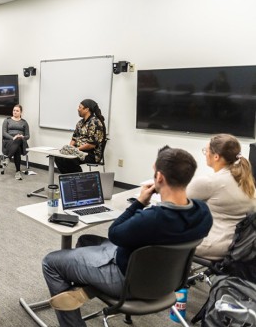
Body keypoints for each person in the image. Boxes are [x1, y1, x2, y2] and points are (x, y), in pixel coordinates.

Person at [42, 146, 213, 327]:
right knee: (86, 241)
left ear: (160, 177)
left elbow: (115, 233)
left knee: (51, 262)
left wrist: (139, 202)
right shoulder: (203, 213)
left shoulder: (152, 219)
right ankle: (87, 288)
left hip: (127, 280)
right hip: (167, 281)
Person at [187, 134, 256, 260]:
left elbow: (175, 201)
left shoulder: (210, 182)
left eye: (206, 151)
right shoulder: (246, 181)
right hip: (240, 246)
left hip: (214, 245)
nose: (205, 154)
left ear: (216, 156)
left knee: (166, 232)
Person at [54, 99, 106, 174]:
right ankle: (69, 178)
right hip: (79, 150)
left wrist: (76, 150)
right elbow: (74, 138)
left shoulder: (95, 122)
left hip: (91, 154)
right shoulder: (80, 123)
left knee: (70, 159)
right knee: (58, 157)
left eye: (80, 107)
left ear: (87, 109)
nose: (78, 109)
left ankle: (78, 179)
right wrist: (70, 148)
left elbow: (91, 145)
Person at [2, 104, 30, 180]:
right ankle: (18, 172)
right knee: (17, 149)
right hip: (9, 142)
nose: (15, 112)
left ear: (21, 112)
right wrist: (13, 137)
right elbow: (4, 133)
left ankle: (8, 158)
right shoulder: (7, 120)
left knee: (19, 139)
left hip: (21, 143)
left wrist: (22, 137)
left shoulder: (24, 122)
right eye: (14, 110)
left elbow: (28, 136)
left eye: (17, 111)